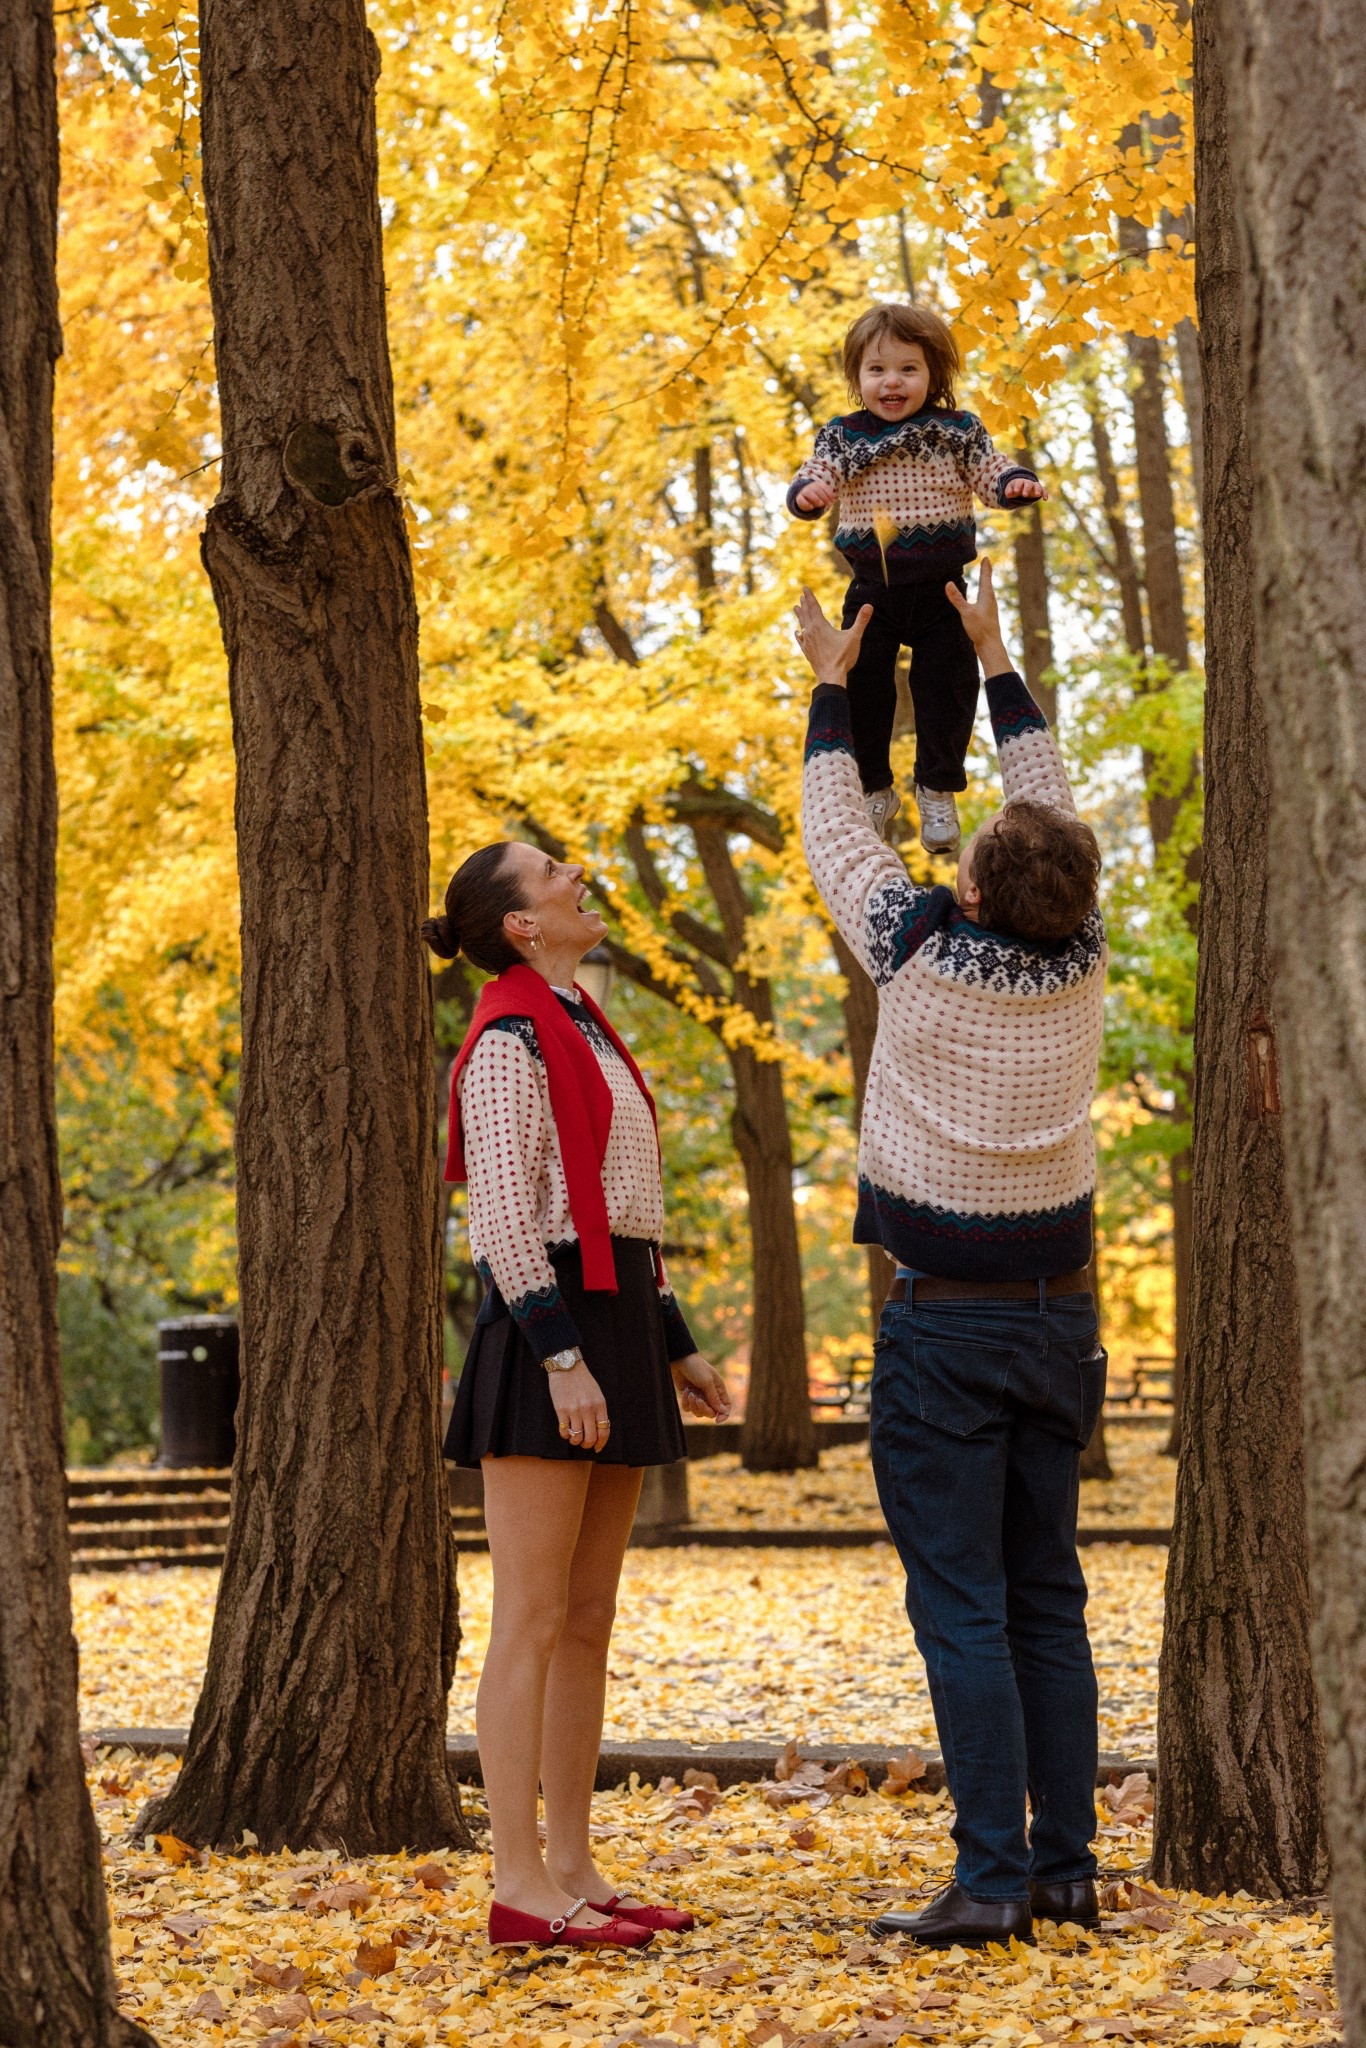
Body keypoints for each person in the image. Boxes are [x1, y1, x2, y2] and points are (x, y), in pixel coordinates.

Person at [796, 561, 1108, 1949]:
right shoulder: (1081, 952)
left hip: (943, 1329)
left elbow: (831, 831)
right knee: (1046, 1592)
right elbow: (1049, 819)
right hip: (1058, 1321)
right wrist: (994, 664)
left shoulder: (917, 948)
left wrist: (826, 689)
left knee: (965, 1607)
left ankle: (989, 1878)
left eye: (973, 849)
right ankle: (1065, 1869)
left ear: (974, 890)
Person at [424, 844, 731, 1950]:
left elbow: (622, 1208)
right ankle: (515, 1882)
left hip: (614, 1323)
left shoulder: (584, 1021)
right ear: (519, 924)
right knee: (534, 1617)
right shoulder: (507, 1039)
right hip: (543, 1332)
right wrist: (563, 1358)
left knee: (587, 1622)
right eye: (553, 872)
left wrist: (677, 1345)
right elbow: (502, 1218)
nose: (577, 876)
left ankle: (572, 1864)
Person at [788, 303, 1045, 854]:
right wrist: (808, 495)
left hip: (943, 591)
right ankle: (874, 786)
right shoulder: (842, 436)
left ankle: (937, 785)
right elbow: (819, 474)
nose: (892, 382)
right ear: (858, 379)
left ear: (934, 376)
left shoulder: (957, 430)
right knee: (862, 688)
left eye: (909, 369)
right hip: (871, 593)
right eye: (877, 370)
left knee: (948, 689)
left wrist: (1015, 483)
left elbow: (989, 470)